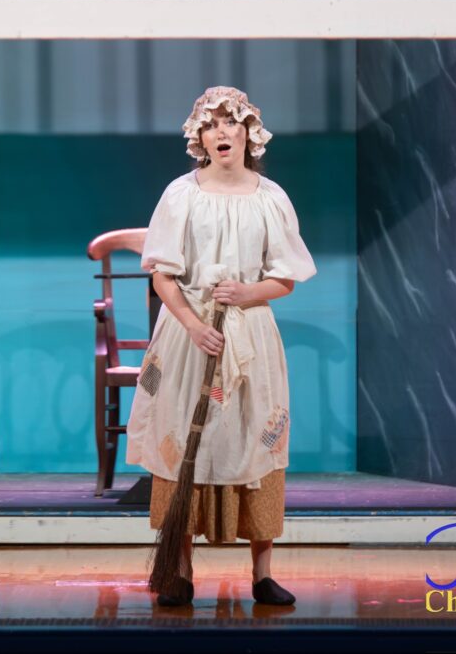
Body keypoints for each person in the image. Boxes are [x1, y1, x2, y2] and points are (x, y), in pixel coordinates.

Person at [126, 86, 317, 607]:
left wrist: (247, 293)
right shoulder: (181, 194)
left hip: (249, 335)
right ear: (200, 139)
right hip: (190, 334)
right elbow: (162, 274)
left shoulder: (270, 197)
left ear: (249, 133)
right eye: (210, 125)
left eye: (230, 122)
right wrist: (192, 324)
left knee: (255, 436)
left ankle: (262, 573)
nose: (221, 132)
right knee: (186, 438)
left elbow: (285, 278)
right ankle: (180, 569)